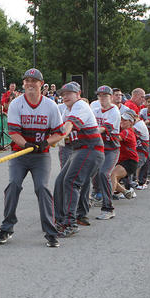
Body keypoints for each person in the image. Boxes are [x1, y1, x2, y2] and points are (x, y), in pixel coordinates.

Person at [0, 68, 65, 248]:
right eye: (27, 81)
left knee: (42, 188)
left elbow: (59, 133)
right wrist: (26, 145)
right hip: (20, 154)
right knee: (13, 185)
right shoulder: (17, 104)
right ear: (23, 84)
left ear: (41, 84)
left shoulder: (50, 106)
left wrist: (46, 143)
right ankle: (7, 227)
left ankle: (50, 232)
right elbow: (14, 133)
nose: (30, 84)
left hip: (40, 156)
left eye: (34, 81)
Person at [53, 82, 104, 237]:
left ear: (78, 94)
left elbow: (68, 126)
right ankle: (61, 220)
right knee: (60, 181)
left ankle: (70, 222)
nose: (65, 96)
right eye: (63, 94)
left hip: (91, 149)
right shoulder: (66, 110)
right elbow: (58, 129)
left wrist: (61, 135)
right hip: (78, 150)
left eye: (69, 93)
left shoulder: (80, 106)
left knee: (71, 182)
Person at [90, 85, 120, 221]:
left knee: (104, 173)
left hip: (110, 149)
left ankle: (108, 208)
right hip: (97, 148)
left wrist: (89, 131)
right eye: (100, 95)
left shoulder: (114, 111)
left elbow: (103, 128)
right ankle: (93, 196)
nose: (102, 98)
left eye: (105, 95)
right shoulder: (95, 110)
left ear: (111, 97)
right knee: (89, 173)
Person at [110, 111, 138, 199]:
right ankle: (126, 192)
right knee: (110, 178)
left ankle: (107, 199)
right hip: (123, 160)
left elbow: (117, 138)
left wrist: (106, 130)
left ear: (130, 122)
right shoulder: (124, 130)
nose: (122, 122)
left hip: (130, 161)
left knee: (113, 175)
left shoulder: (127, 132)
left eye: (125, 120)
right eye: (121, 120)